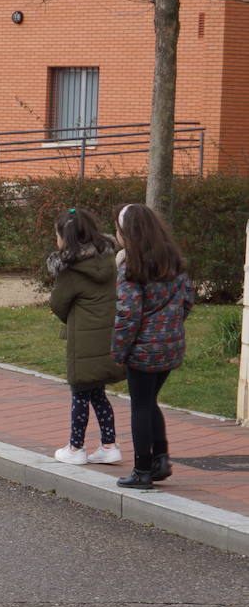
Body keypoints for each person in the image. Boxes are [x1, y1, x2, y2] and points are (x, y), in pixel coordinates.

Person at [111, 203, 195, 489]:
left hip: (143, 349)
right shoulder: (173, 260)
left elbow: (128, 313)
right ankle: (160, 459)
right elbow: (187, 301)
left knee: (140, 407)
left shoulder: (131, 266)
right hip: (170, 347)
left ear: (128, 233)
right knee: (150, 403)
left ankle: (142, 470)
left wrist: (119, 350)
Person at [49, 208, 125, 467]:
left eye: (57, 235)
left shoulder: (71, 270)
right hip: (107, 336)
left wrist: (71, 318)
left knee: (80, 392)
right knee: (97, 392)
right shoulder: (107, 259)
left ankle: (76, 447)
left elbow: (58, 303)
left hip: (83, 340)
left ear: (66, 238)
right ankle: (109, 444)